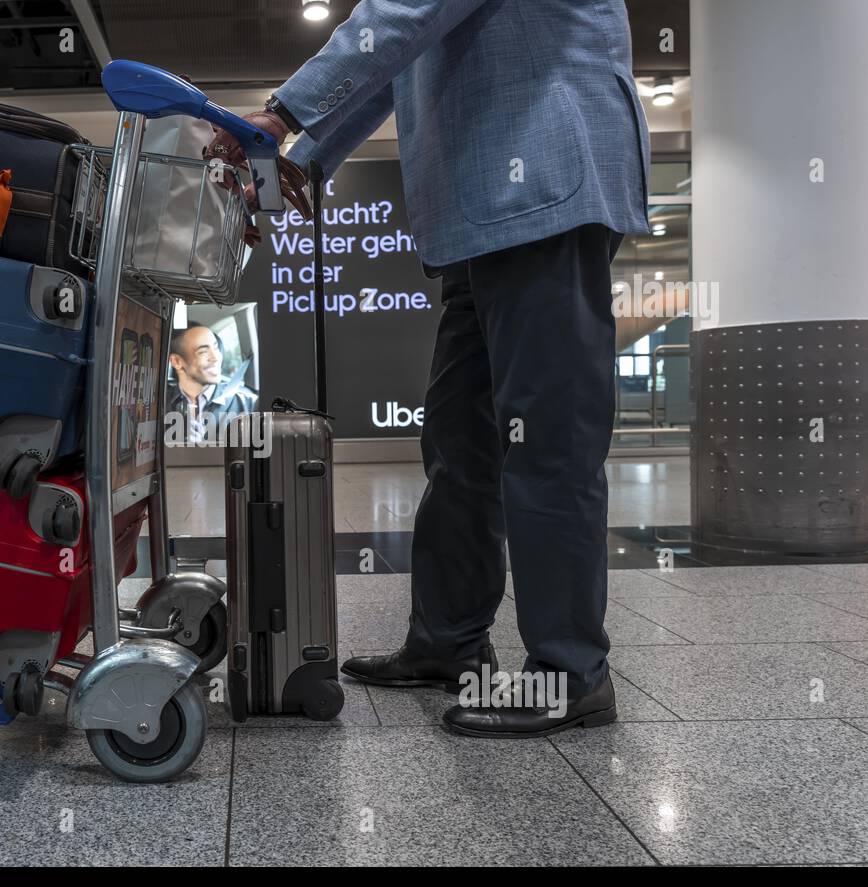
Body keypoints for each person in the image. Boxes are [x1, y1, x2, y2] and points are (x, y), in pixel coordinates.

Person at [206, 0, 650, 737]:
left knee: (546, 438)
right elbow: (400, 62)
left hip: (546, 176)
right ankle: (448, 640)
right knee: (459, 440)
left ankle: (570, 672)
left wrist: (281, 114)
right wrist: (288, 163)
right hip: (487, 209)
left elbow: (407, 13)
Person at [166, 324, 256, 445]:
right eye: (203, 352)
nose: (216, 358)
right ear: (176, 361)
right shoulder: (159, 405)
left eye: (216, 348)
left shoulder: (247, 403)